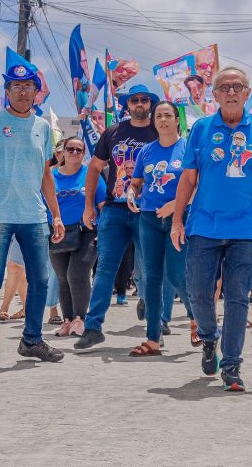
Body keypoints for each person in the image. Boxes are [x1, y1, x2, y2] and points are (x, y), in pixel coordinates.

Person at [171, 67, 252, 392]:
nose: (231, 92)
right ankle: (209, 337)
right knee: (197, 292)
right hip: (204, 225)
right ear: (215, 95)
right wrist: (177, 220)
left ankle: (232, 365)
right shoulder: (201, 128)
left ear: (247, 93)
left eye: (238, 86)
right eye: (224, 87)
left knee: (237, 297)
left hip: (246, 227)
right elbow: (188, 179)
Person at [0, 51, 66, 371]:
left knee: (40, 280)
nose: (23, 91)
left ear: (36, 91)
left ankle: (32, 340)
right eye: (16, 86)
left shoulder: (43, 127)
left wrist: (56, 214)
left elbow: (46, 174)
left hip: (33, 216)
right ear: (7, 91)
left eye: (28, 86)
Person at [74, 85, 159, 349]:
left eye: (144, 100)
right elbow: (94, 167)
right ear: (127, 105)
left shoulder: (159, 130)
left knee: (150, 269)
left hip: (147, 211)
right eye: (135, 100)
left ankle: (156, 321)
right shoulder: (113, 132)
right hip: (114, 210)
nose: (140, 104)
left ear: (150, 104)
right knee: (105, 268)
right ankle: (92, 327)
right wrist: (89, 206)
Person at [126, 101, 198, 356]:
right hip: (149, 219)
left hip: (179, 219)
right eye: (159, 116)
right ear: (154, 121)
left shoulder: (188, 148)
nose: (163, 120)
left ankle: (197, 319)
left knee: (178, 275)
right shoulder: (146, 151)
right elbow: (136, 182)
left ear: (177, 120)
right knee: (151, 277)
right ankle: (153, 338)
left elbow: (197, 185)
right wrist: (131, 192)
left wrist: (175, 205)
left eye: (168, 115)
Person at [49, 136, 106, 337]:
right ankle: (67, 320)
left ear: (83, 154)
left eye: (79, 150)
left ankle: (80, 319)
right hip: (58, 232)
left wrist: (103, 232)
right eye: (70, 149)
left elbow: (103, 205)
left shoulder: (91, 175)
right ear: (62, 152)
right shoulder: (50, 176)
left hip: (88, 231)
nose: (74, 152)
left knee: (77, 273)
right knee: (63, 277)